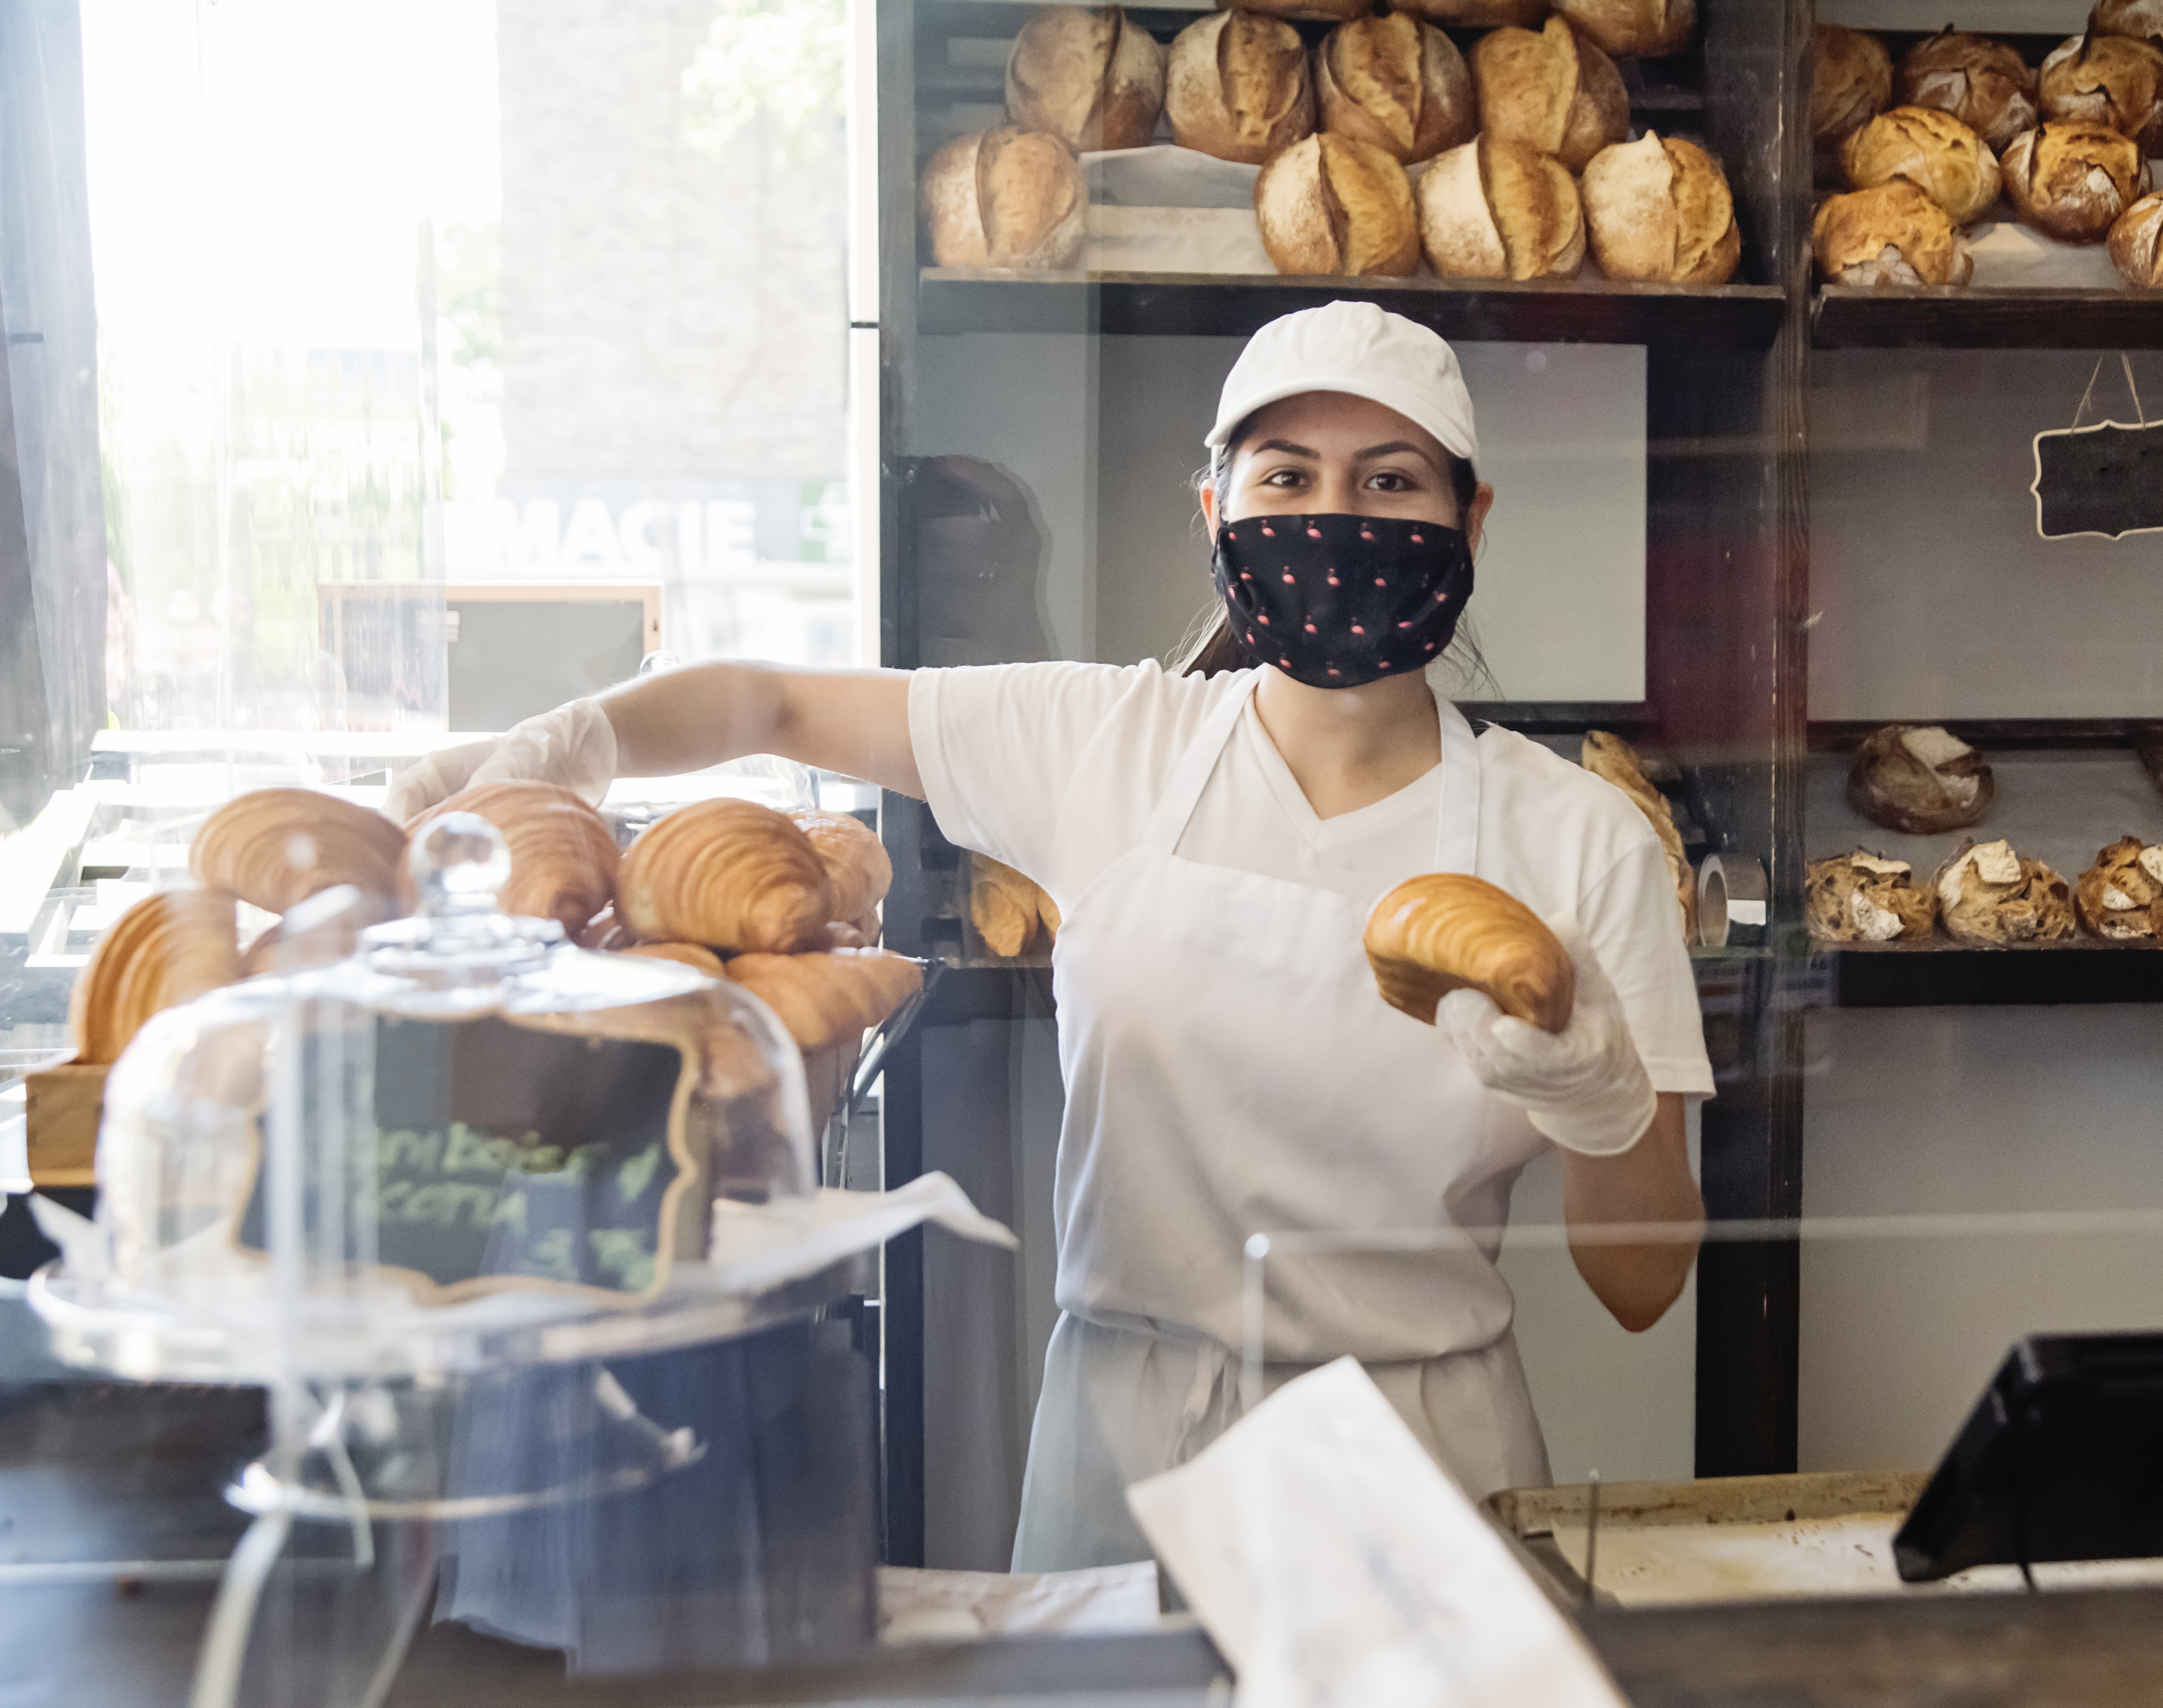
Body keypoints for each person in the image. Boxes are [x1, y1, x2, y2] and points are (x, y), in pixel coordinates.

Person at [390, 301, 1715, 1571]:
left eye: (1388, 482)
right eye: (1285, 475)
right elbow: (772, 700)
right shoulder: (1106, 743)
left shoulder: (1577, 838)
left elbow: (1643, 1280)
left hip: (1426, 1458)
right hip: (1129, 1444)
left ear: (1468, 517)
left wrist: (1603, 1112)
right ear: (1215, 512)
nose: (1332, 515)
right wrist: (571, 746)